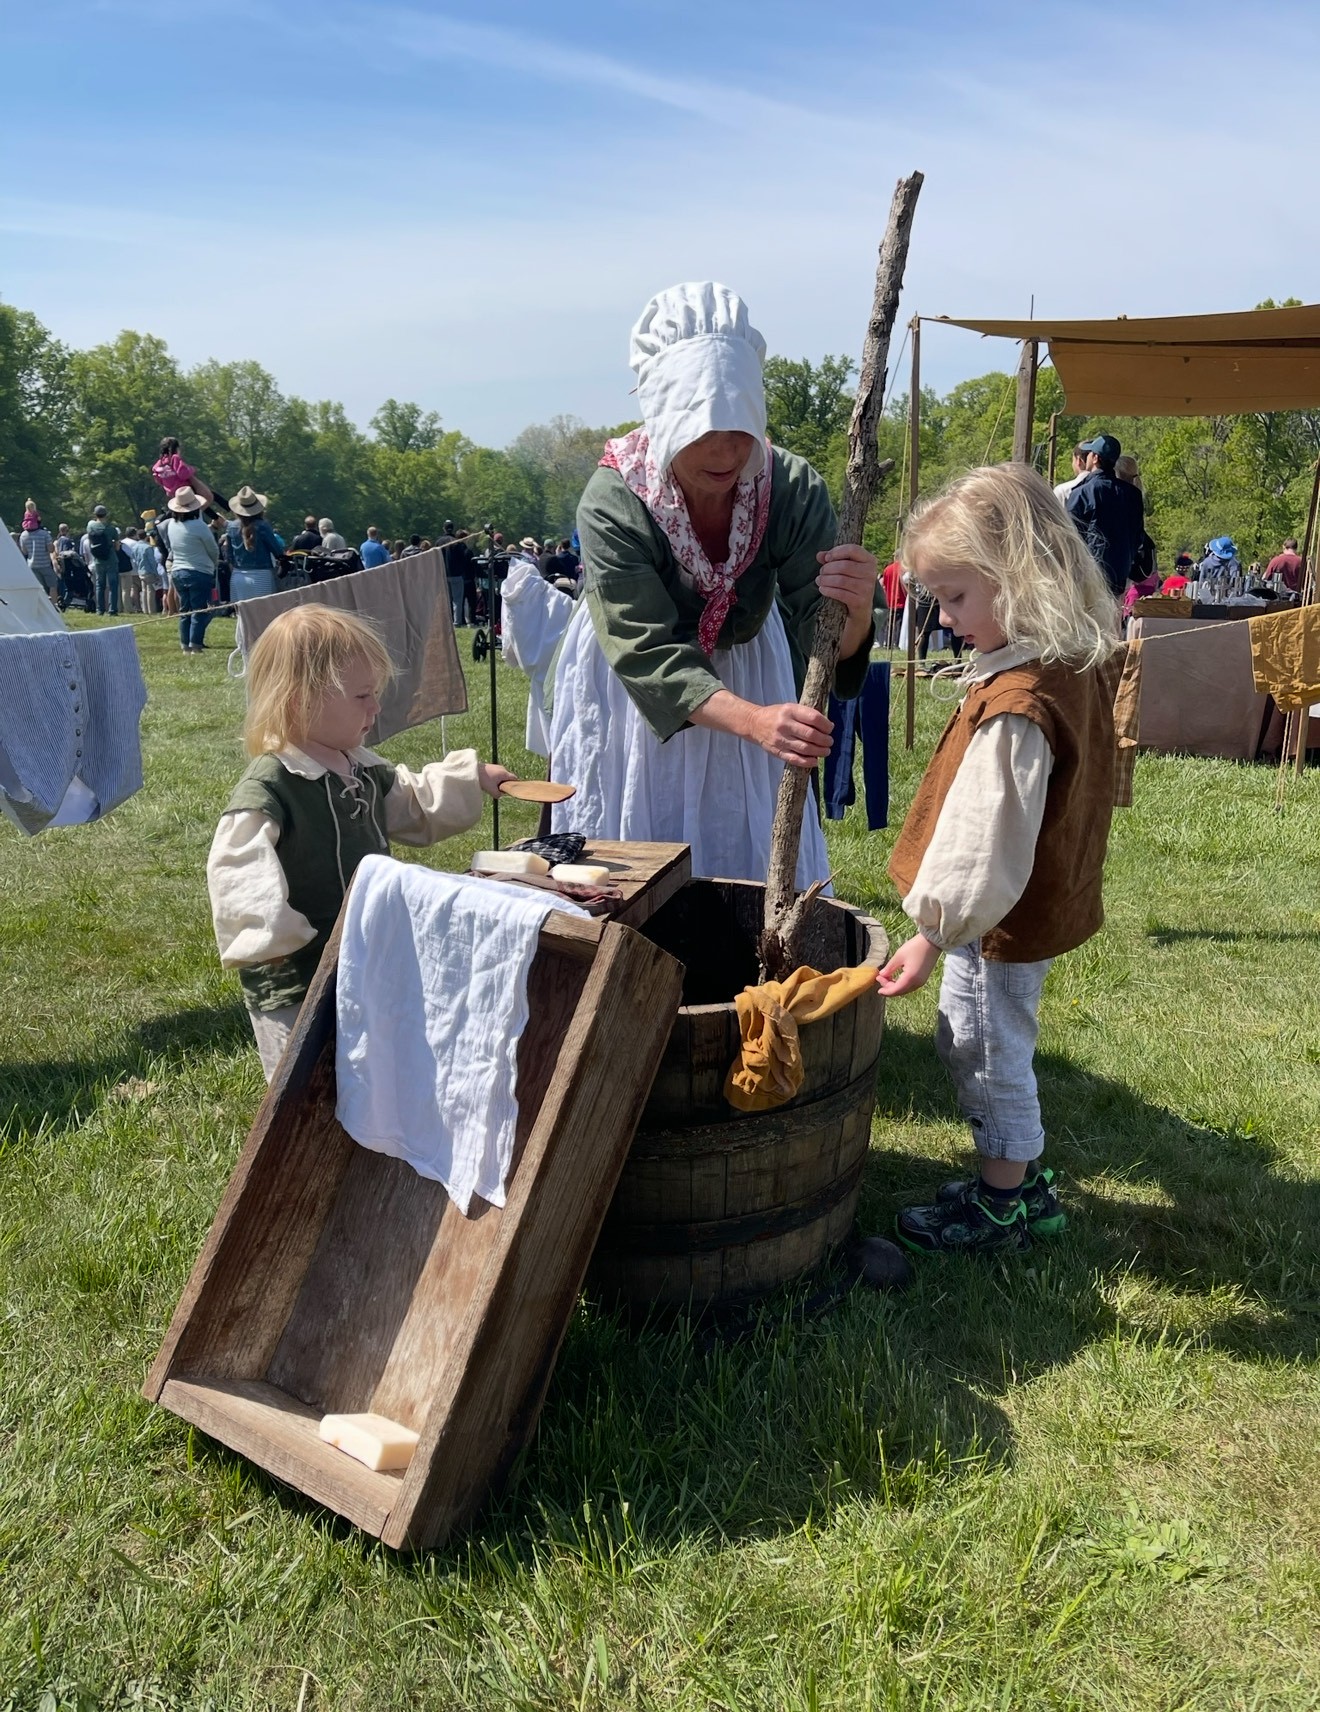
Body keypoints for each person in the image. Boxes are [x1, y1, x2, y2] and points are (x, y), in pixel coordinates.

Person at [547, 281, 877, 884]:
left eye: (739, 427)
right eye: (702, 430)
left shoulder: (791, 488)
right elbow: (646, 650)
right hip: (634, 687)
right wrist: (753, 722)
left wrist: (855, 611)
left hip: (752, 664)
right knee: (640, 843)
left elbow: (822, 633)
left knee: (745, 839)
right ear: (665, 419)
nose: (725, 451)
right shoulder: (615, 501)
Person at [877, 462, 1120, 1254]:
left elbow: (987, 846)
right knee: (981, 1034)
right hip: (1026, 904)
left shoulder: (1021, 704)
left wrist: (930, 933)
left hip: (998, 919)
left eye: (954, 597)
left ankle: (1002, 1203)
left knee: (985, 1044)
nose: (944, 619)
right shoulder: (1060, 661)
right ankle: (1018, 1174)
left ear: (1018, 577)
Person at [205, 606, 517, 1080]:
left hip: (362, 952)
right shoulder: (271, 787)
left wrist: (469, 778)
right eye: (363, 696)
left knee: (366, 1064)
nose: (375, 708)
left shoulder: (359, 768)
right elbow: (237, 869)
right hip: (297, 974)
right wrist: (275, 942)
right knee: (304, 1080)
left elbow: (412, 803)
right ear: (298, 701)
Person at [1065, 433, 1144, 597]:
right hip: (1121, 573)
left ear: (1095, 458)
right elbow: (1138, 535)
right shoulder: (1132, 494)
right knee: (1114, 619)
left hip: (1089, 575)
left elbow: (1070, 537)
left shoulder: (1082, 492)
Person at [162, 486, 220, 652]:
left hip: (178, 571)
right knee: (199, 610)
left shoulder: (171, 525)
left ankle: (184, 644)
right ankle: (195, 644)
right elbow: (213, 549)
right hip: (198, 571)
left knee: (184, 610)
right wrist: (214, 563)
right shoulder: (199, 526)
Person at [226, 487, 285, 602]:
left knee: (242, 616)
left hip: (238, 575)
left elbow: (229, 555)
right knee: (264, 615)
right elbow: (277, 551)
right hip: (261, 575)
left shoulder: (231, 527)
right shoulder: (263, 526)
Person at [152, 436, 224, 512]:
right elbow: (183, 474)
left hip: (172, 492)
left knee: (197, 505)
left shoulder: (159, 464)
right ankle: (227, 508)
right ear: (176, 448)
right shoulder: (174, 458)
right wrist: (192, 469)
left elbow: (157, 478)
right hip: (184, 488)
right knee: (207, 497)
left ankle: (216, 517)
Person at [85, 505, 122, 615]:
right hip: (111, 559)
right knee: (113, 585)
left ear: (95, 514)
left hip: (98, 559)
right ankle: (112, 610)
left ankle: (100, 609)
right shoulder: (111, 529)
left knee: (99, 585)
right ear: (106, 514)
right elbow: (117, 546)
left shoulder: (91, 526)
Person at [18, 508, 57, 602]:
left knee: (40, 588)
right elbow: (51, 550)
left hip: (31, 565)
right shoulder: (44, 534)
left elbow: (24, 552)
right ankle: (54, 607)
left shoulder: (23, 535)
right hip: (45, 564)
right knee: (52, 585)